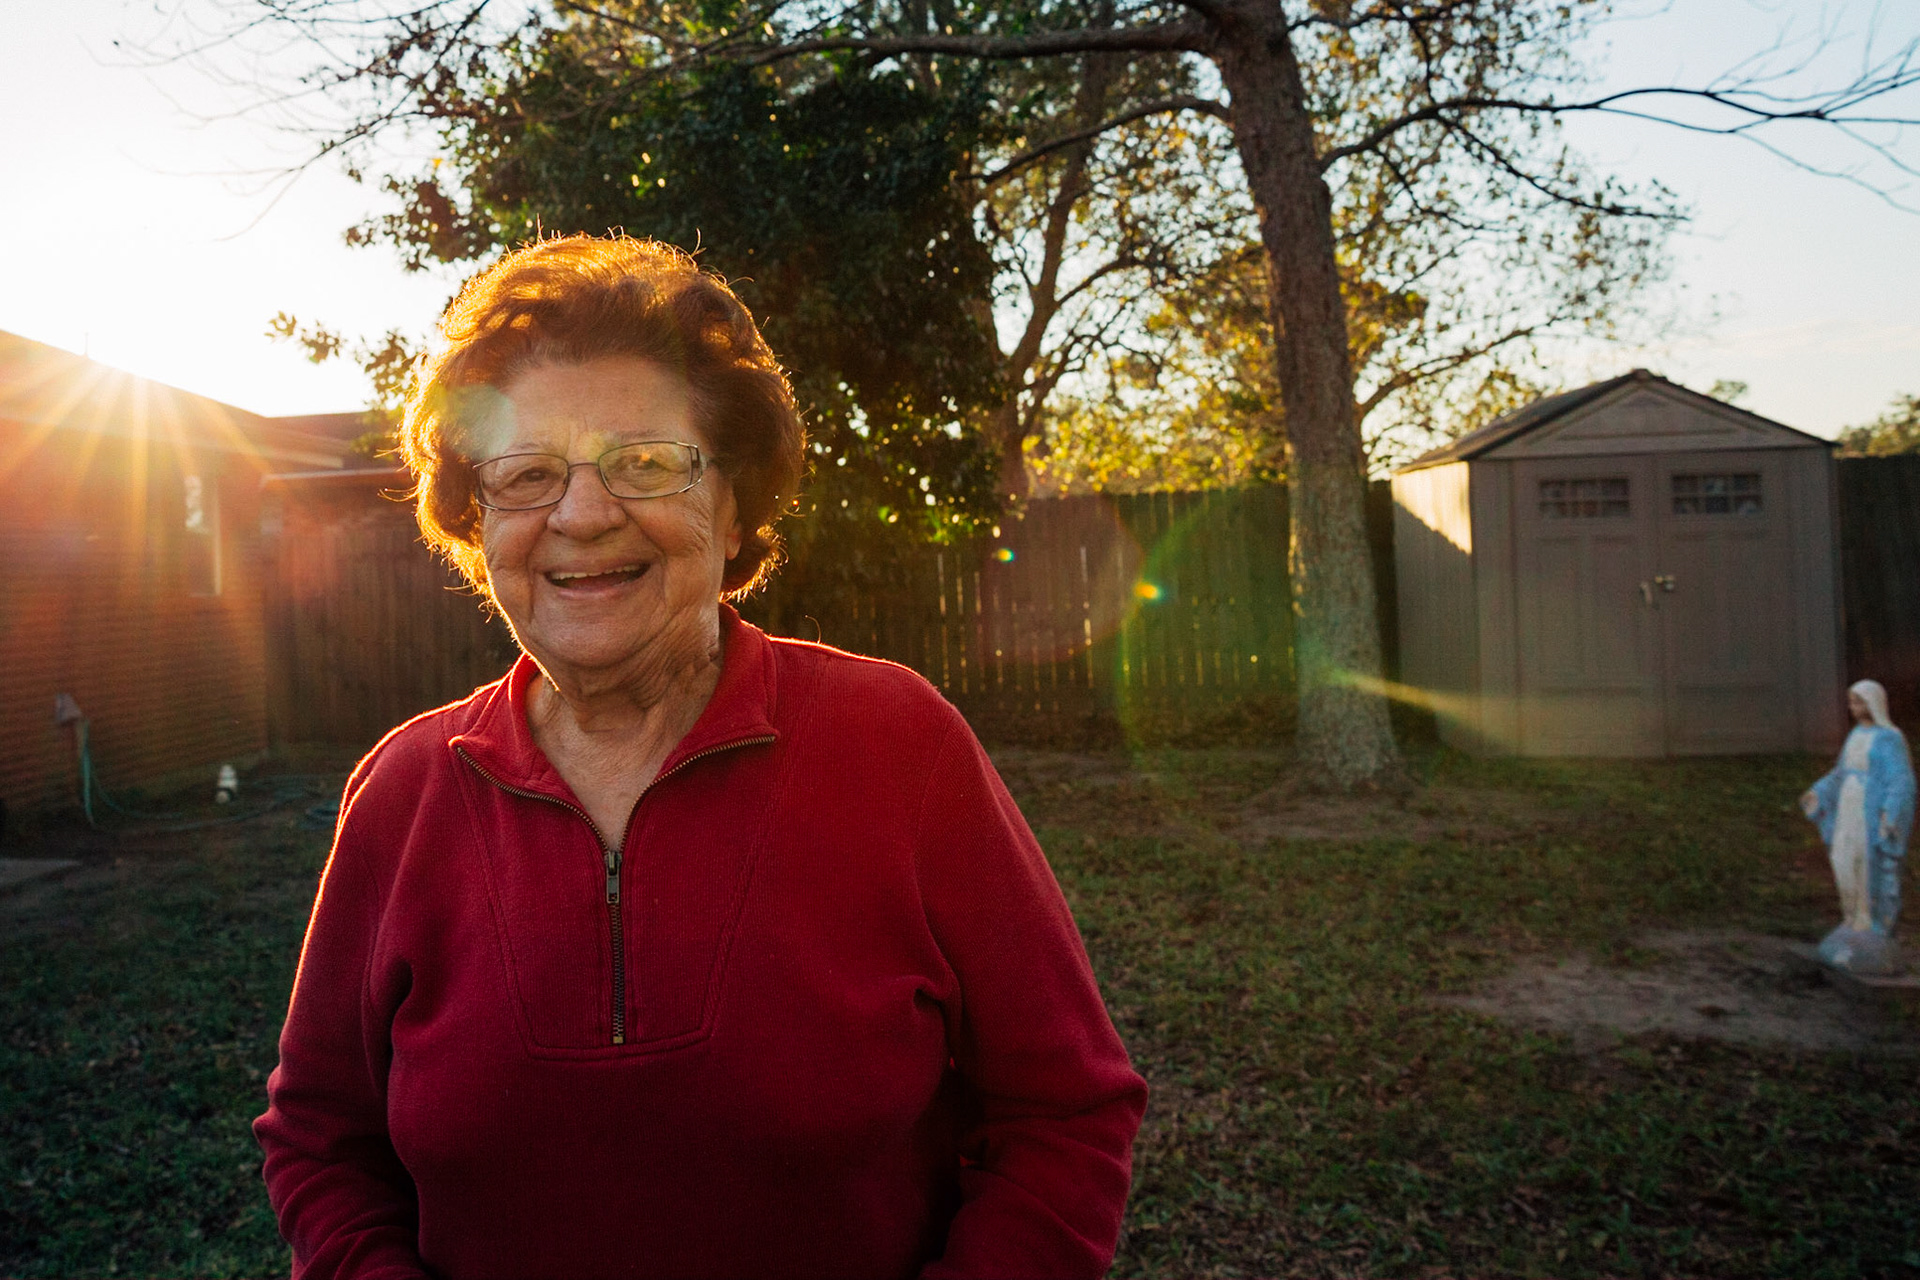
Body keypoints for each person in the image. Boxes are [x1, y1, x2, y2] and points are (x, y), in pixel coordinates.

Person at [254, 234, 1147, 1280]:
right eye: (528, 472)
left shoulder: (897, 742)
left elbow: (1068, 1107)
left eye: (644, 461)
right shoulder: (403, 792)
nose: (581, 513)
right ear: (477, 522)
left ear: (732, 509)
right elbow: (320, 1138)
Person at [1800, 679, 1914, 975]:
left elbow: (1901, 780)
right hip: (1849, 809)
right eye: (1851, 702)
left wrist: (1891, 812)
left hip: (1869, 810)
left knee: (1867, 862)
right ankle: (1850, 917)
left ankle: (1869, 921)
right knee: (1843, 858)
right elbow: (1841, 772)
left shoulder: (1889, 738)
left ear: (1874, 703)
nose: (1854, 708)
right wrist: (1820, 791)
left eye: (1860, 702)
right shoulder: (1855, 736)